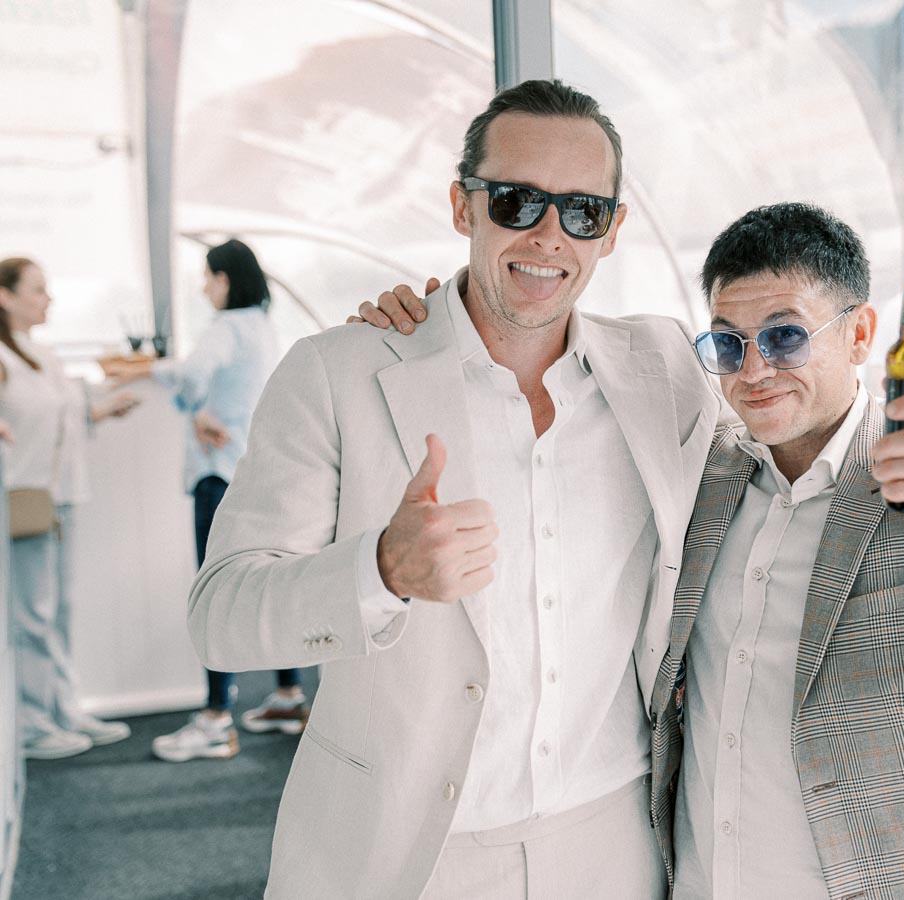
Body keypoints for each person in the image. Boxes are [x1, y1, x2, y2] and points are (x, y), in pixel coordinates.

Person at [363, 203, 904, 898]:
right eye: (729, 344)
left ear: (860, 335)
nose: (754, 370)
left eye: (786, 336)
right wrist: (436, 320)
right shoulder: (700, 470)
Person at [184, 80, 721, 898]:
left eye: (582, 211)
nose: (549, 234)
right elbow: (221, 619)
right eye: (515, 201)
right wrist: (380, 574)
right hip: (410, 853)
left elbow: (789, 457)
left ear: (611, 231)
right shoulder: (337, 373)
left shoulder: (669, 371)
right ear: (462, 207)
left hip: (616, 846)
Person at [105, 239, 310, 761]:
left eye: (208, 277)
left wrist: (189, 405)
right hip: (257, 472)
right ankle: (288, 695)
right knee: (269, 582)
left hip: (218, 475)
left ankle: (217, 717)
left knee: (215, 595)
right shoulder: (262, 326)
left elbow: (195, 374)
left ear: (225, 279)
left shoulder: (226, 327)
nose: (203, 287)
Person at [0, 257, 140, 760]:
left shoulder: (42, 355)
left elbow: (65, 417)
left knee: (58, 611)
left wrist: (105, 409)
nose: (48, 298)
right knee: (31, 616)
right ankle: (34, 725)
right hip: (23, 498)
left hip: (61, 498)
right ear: (5, 296)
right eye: (37, 290)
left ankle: (63, 708)